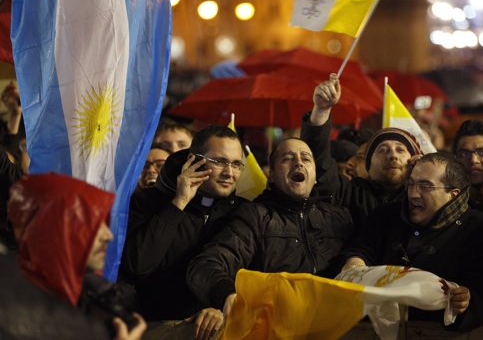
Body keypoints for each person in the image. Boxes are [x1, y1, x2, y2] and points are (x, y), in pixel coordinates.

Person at [186, 138, 354, 330]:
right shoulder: (256, 216)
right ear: (271, 175)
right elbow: (205, 265)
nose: (298, 162)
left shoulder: (339, 218)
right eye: (287, 158)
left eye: (306, 159)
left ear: (315, 175)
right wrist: (226, 296)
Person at [340, 152, 483, 331]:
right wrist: (354, 262)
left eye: (425, 186)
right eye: (411, 184)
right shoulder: (384, 216)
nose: (414, 194)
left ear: (452, 195)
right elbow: (362, 248)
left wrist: (464, 304)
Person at [119, 125, 248, 334]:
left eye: (236, 164)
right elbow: (137, 265)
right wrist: (178, 203)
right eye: (220, 162)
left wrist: (219, 305)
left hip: (217, 327)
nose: (229, 173)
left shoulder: (242, 211)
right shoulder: (148, 201)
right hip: (154, 326)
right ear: (193, 161)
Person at [7, 173, 146, 340]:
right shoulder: (18, 314)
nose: (108, 235)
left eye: (105, 223)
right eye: (92, 225)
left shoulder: (97, 297)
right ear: (57, 231)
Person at [301, 74, 422, 229]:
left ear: (413, 160)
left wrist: (427, 177)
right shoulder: (350, 194)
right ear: (368, 166)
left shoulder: (422, 197)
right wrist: (321, 111)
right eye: (383, 151)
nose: (393, 156)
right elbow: (318, 165)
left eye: (400, 150)